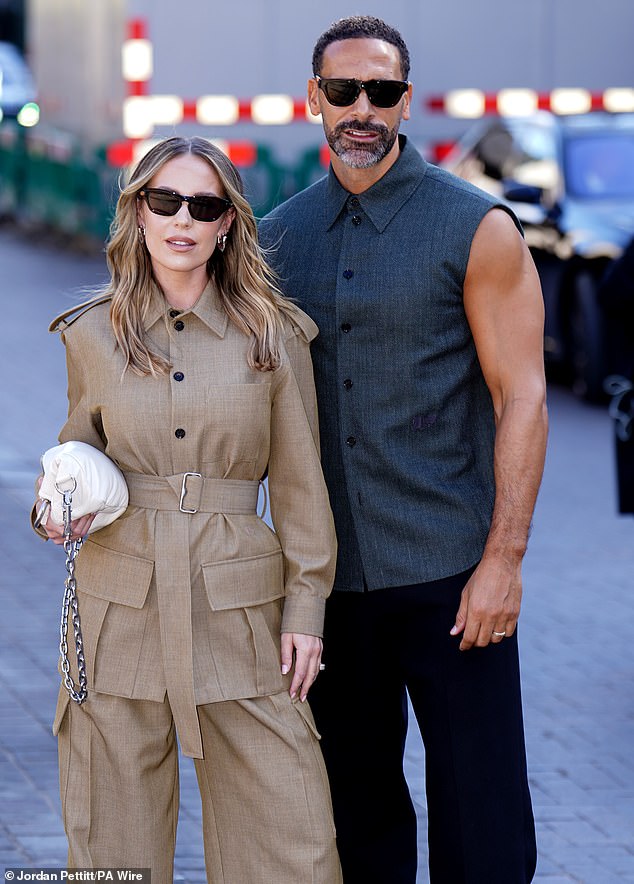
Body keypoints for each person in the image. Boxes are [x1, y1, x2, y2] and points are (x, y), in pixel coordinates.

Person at [259, 15, 548, 884]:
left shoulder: (475, 227)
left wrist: (505, 560)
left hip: (452, 575)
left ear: (404, 102)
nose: (362, 109)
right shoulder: (277, 236)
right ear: (314, 99)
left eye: (380, 93)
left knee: (483, 819)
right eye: (342, 91)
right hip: (332, 584)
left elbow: (523, 396)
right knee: (357, 814)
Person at [33, 135, 342, 884]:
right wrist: (52, 514)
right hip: (118, 607)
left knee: (289, 837)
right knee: (112, 847)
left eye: (202, 205)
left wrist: (306, 609)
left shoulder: (275, 335)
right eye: (163, 201)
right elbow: (74, 458)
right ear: (136, 213)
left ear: (226, 223)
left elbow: (302, 488)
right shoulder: (90, 335)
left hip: (240, 609)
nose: (182, 220)